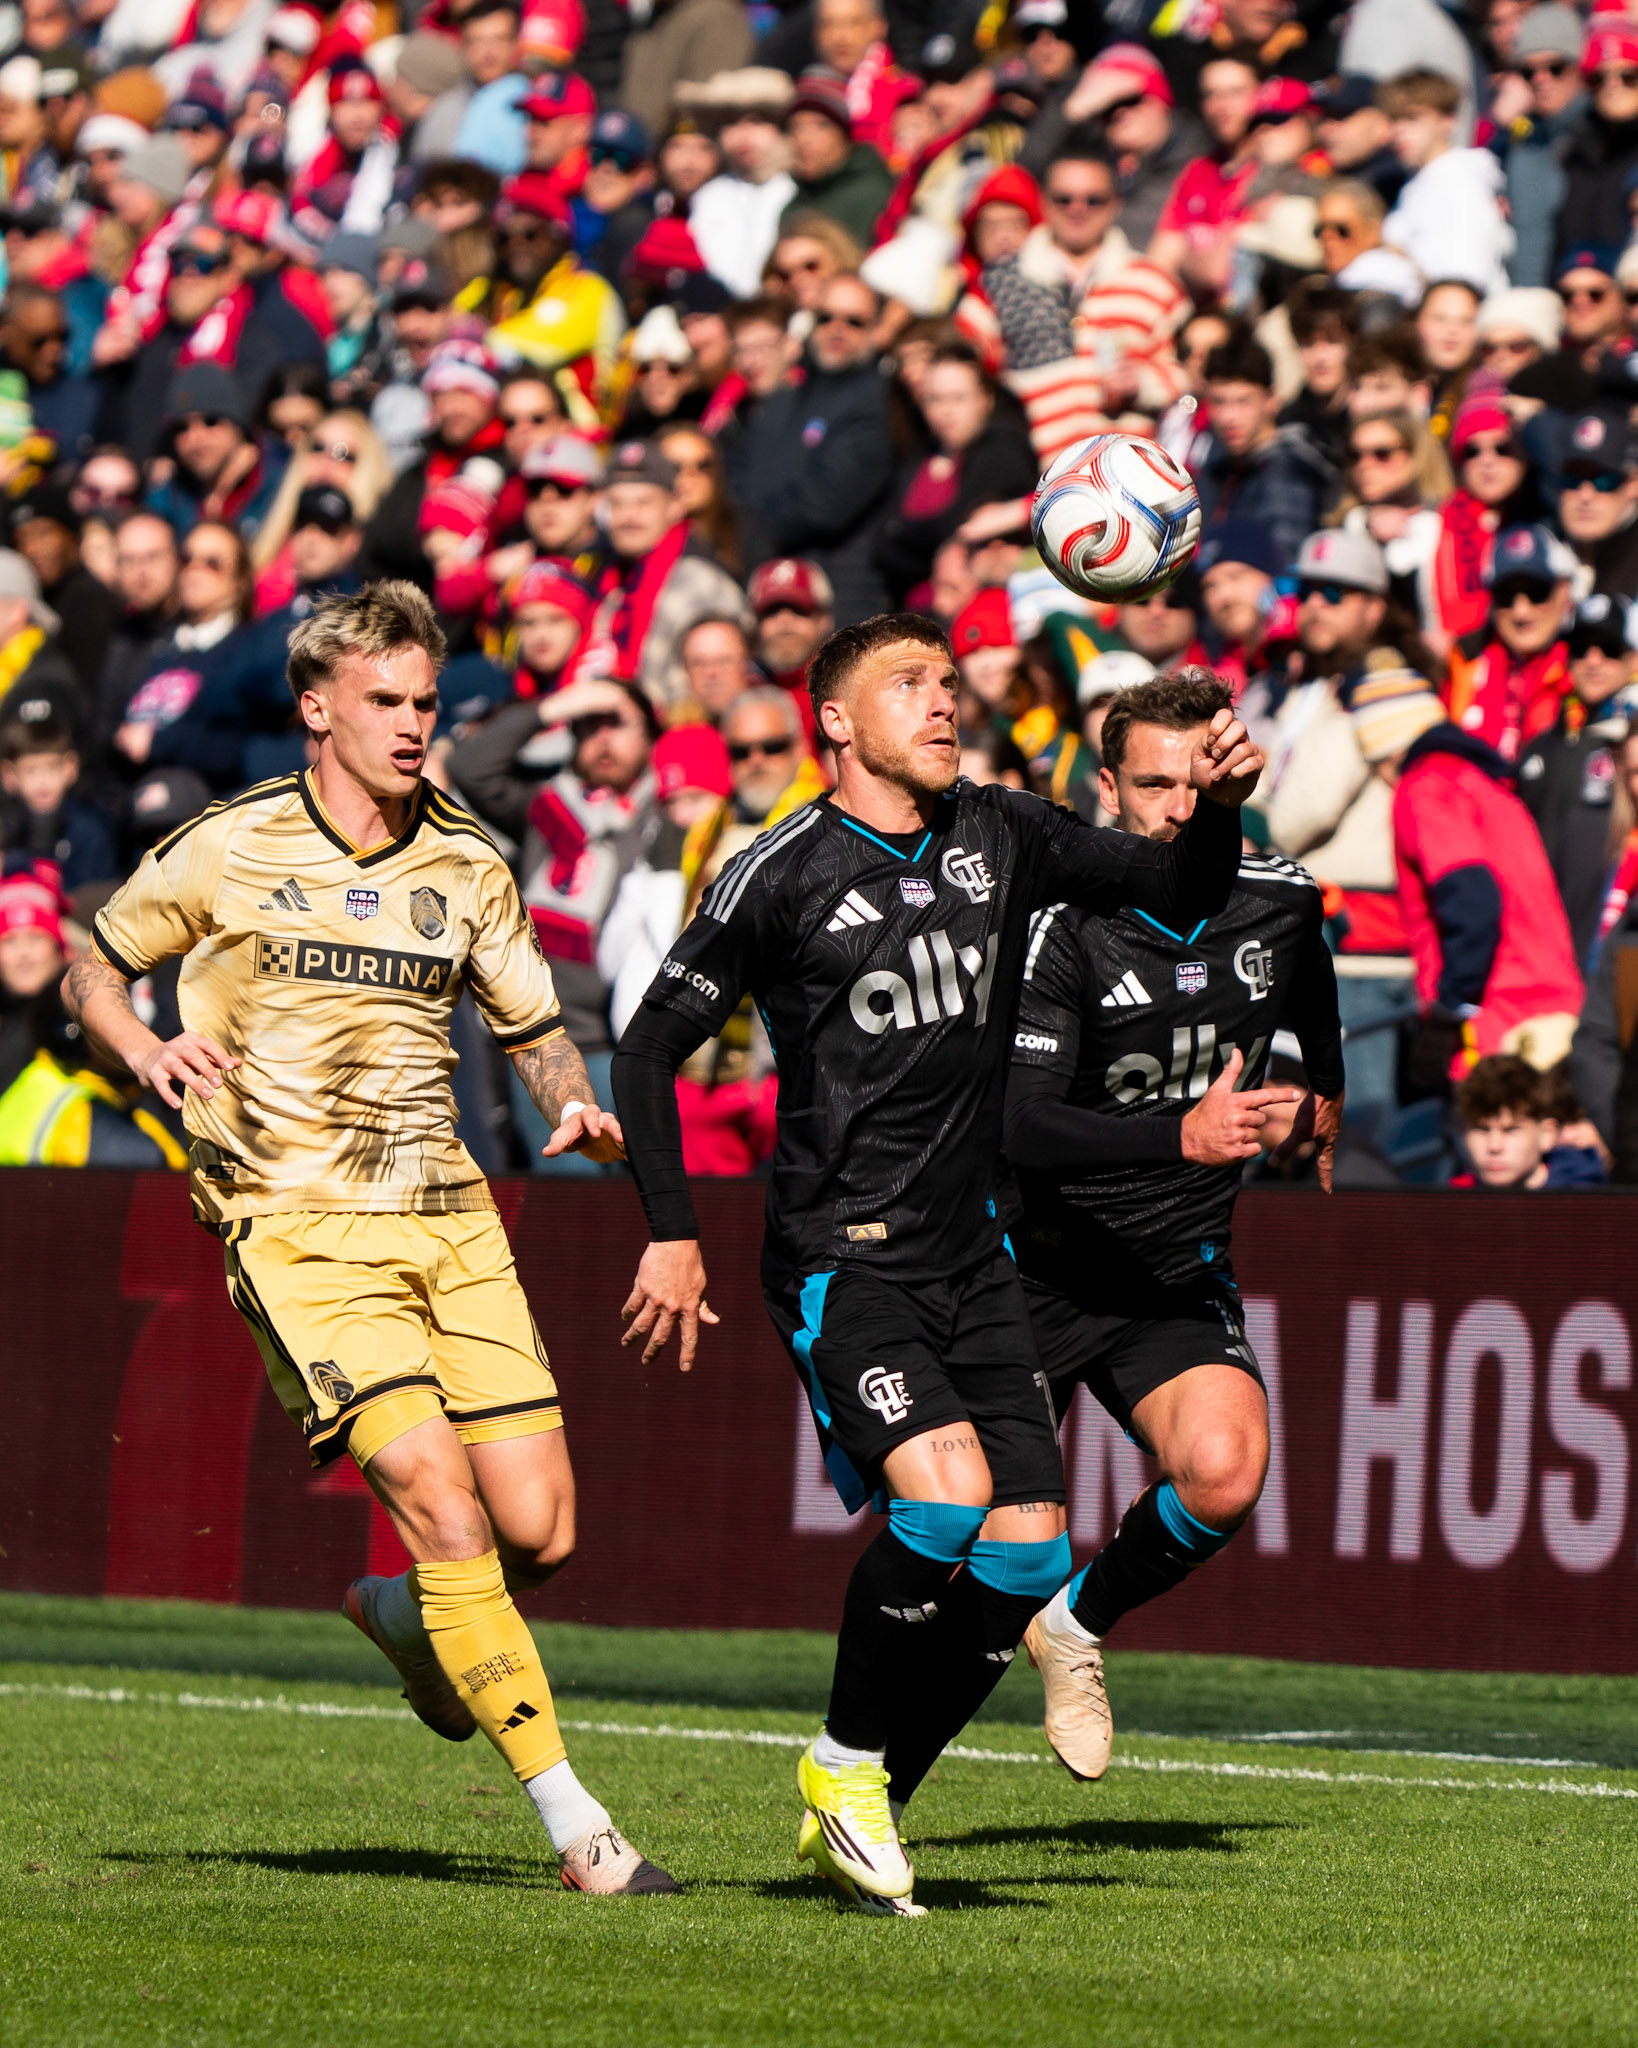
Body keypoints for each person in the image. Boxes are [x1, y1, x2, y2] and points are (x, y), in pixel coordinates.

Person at [610, 612, 1264, 1913]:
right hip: (839, 1261)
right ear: (835, 722)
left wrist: (1216, 816)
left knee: (1025, 1560)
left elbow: (1174, 891)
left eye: (950, 681)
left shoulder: (1000, 831)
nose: (943, 700)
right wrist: (671, 1231)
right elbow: (642, 1054)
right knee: (947, 1496)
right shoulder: (777, 871)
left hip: (974, 1260)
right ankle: (841, 1770)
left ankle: (867, 1795)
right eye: (908, 684)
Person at [65, 581, 676, 1895]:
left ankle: (405, 1618)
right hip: (292, 1219)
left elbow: (528, 1024)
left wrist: (570, 1094)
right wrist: (143, 1045)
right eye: (387, 703)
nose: (412, 727)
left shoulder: (465, 859)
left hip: (447, 1217)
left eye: (425, 704)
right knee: (444, 1510)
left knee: (542, 1533)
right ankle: (583, 1833)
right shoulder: (228, 846)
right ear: (317, 707)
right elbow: (90, 966)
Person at [1006, 670, 1343, 1780]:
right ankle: (868, 1770)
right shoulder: (1059, 923)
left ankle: (1076, 1624)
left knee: (1225, 1467)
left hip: (1168, 1269)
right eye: (1150, 784)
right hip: (1027, 1270)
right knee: (982, 1563)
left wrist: (1320, 1093)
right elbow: (1023, 1128)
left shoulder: (1281, 897)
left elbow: (1311, 1006)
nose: (1173, 809)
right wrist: (1177, 1135)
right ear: (1106, 786)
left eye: (1194, 781)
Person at [1369, 675, 1585, 1089]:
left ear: (1389, 752)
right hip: (1549, 1004)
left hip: (1499, 1021)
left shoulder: (1426, 789)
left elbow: (1471, 898)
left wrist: (1452, 1006)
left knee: (1492, 1145)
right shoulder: (1484, 785)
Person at [732, 271, 897, 627]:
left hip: (838, 602)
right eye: (825, 317)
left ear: (876, 330)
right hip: (769, 586)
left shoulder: (875, 402)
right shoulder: (791, 394)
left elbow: (826, 505)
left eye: (853, 321)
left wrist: (742, 532)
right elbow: (746, 477)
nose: (836, 328)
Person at [1196, 336, 1328, 574]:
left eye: (1243, 401)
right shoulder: (1223, 468)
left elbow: (1283, 566)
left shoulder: (1287, 472)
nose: (1229, 417)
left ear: (1271, 400)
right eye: (1218, 402)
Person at [1446, 522, 1575, 762]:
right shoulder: (1465, 660)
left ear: (1563, 592)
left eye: (1537, 592)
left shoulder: (1586, 660)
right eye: (1506, 596)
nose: (1521, 613)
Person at [1379, 68, 1511, 293]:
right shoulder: (1420, 182)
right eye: (1394, 119)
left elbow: (1464, 276)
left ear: (1449, 119)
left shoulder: (1459, 179)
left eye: (1412, 117)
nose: (1399, 130)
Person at [777, 68, 892, 249]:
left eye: (821, 125)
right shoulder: (792, 206)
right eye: (795, 127)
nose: (804, 140)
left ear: (844, 134)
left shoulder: (875, 194)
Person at [1452, 1053, 1605, 1186]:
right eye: (1481, 1130)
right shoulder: (1450, 1205)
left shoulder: (1589, 1200)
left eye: (1510, 1130)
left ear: (1547, 1134)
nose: (1494, 1147)